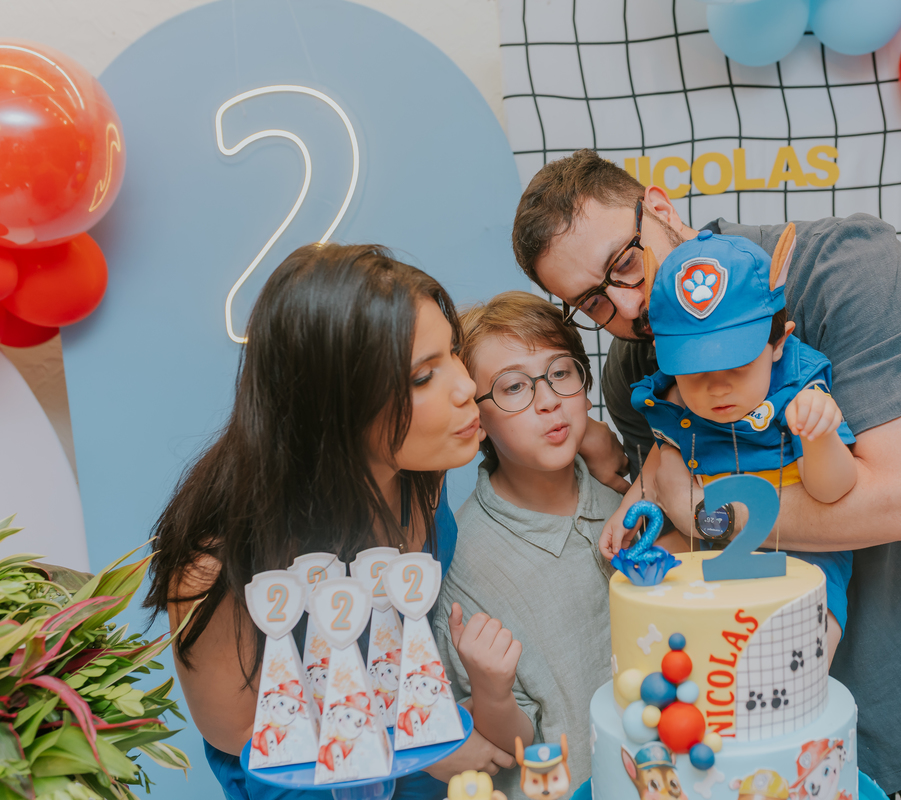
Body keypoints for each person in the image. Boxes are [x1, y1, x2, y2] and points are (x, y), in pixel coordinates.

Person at [510, 150, 901, 798]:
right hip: (766, 743)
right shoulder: (638, 376)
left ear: (658, 208)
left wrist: (696, 505)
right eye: (592, 302)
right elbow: (696, 550)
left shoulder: (848, 269)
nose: (629, 305)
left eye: (625, 263)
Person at [146, 244, 514, 800]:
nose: (467, 388)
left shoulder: (420, 473)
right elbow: (248, 741)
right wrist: (409, 745)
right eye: (421, 377)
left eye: (453, 355)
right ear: (332, 406)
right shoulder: (212, 570)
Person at [601, 227, 858, 658]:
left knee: (802, 645)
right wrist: (629, 507)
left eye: (736, 364)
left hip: (797, 549)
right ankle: (680, 693)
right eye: (695, 368)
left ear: (777, 342)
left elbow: (833, 492)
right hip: (702, 537)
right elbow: (665, 457)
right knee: (647, 591)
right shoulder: (672, 394)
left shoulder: (800, 387)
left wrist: (819, 436)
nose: (716, 388)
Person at [431, 292, 622, 799]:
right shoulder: (463, 567)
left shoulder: (629, 499)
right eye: (513, 386)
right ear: (477, 418)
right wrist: (492, 689)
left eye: (561, 372)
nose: (548, 400)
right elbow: (506, 747)